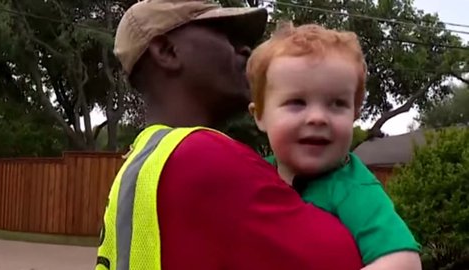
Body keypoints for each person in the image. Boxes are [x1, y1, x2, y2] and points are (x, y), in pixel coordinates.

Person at [96, 0, 363, 269]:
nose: (246, 49)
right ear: (167, 51)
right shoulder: (204, 156)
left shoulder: (141, 162)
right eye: (227, 36)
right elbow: (350, 258)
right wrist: (353, 188)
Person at [247, 22, 422, 269]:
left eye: (337, 104)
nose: (317, 117)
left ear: (354, 114)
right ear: (260, 116)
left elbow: (403, 263)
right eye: (297, 102)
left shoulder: (353, 189)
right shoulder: (249, 176)